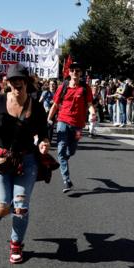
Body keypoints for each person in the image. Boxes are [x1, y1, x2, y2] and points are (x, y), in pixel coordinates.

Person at [0, 63, 50, 264]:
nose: (16, 83)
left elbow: (44, 134)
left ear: (26, 82)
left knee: (20, 206)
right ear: (8, 82)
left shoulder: (36, 106)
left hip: (26, 160)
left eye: (20, 79)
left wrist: (44, 143)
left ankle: (16, 244)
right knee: (3, 209)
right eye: (13, 80)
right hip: (0, 160)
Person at [47, 62, 96, 193]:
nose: (75, 72)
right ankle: (67, 181)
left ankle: (66, 156)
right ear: (69, 72)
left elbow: (90, 104)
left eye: (77, 70)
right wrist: (49, 119)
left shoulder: (85, 88)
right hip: (62, 121)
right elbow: (55, 105)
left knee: (72, 150)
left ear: (80, 73)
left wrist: (93, 113)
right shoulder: (63, 87)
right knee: (61, 150)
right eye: (72, 70)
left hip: (78, 126)